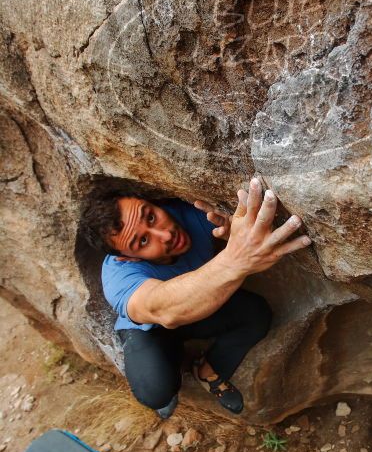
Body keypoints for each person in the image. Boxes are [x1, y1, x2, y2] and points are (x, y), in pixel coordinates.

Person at [79, 177, 312, 418]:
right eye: (143, 241)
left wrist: (232, 234)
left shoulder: (195, 212)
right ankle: (170, 365)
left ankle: (208, 369)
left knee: (257, 314)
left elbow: (236, 231)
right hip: (153, 328)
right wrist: (237, 258)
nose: (165, 234)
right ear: (127, 258)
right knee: (155, 392)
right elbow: (162, 309)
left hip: (198, 308)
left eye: (150, 216)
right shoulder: (118, 276)